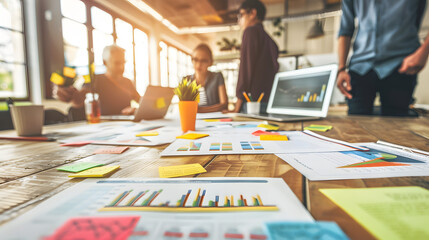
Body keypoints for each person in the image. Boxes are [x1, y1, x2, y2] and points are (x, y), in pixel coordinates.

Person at [336, 0, 429, 116]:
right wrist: (341, 68)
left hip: (401, 64)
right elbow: (345, 29)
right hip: (360, 66)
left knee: (397, 125)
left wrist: (424, 51)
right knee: (355, 122)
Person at [54, 45, 140, 117]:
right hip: (103, 127)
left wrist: (136, 109)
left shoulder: (128, 82)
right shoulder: (95, 80)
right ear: (105, 62)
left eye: (123, 62)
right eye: (117, 63)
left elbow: (141, 101)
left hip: (125, 125)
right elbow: (79, 100)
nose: (121, 67)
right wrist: (67, 93)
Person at [229, 0, 279, 113]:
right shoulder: (271, 41)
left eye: (240, 15)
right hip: (268, 103)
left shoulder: (250, 32)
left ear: (252, 13)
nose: (239, 21)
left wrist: (237, 107)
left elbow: (245, 71)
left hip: (251, 105)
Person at [187, 44, 228, 113]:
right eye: (195, 59)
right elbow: (185, 106)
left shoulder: (217, 77)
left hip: (214, 118)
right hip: (194, 118)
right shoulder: (186, 80)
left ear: (210, 62)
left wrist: (199, 110)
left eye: (203, 61)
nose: (199, 64)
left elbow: (224, 104)